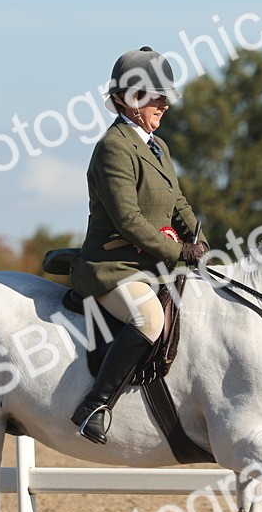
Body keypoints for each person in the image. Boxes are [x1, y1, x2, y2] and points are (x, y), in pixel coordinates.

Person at [69, 46, 210, 445]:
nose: (164, 104)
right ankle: (94, 405)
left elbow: (177, 203)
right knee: (150, 318)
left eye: (165, 96)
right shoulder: (114, 147)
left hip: (151, 264)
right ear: (128, 99)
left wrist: (199, 240)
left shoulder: (157, 146)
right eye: (155, 96)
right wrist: (178, 252)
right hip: (113, 266)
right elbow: (128, 220)